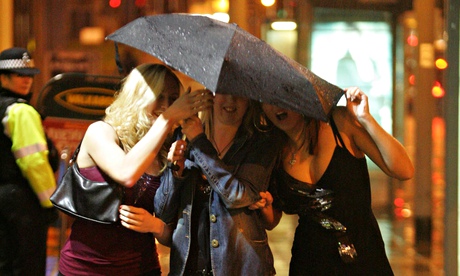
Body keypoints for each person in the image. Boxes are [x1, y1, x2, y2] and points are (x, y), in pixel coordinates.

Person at [57, 63, 213, 276]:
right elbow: (126, 173)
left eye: (173, 98)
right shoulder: (101, 132)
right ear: (138, 96)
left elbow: (176, 231)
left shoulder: (168, 150)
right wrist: (168, 119)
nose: (166, 105)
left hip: (142, 268)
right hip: (85, 268)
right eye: (159, 96)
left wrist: (156, 226)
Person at [253, 87, 414, 275]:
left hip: (363, 255)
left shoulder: (339, 122)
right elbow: (272, 221)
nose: (276, 106)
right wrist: (266, 209)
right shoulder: (273, 150)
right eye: (267, 99)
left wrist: (365, 118)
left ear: (300, 94)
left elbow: (404, 170)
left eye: (283, 96)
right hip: (309, 261)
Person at [154, 93, 281, 276]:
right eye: (223, 90)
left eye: (239, 92)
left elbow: (236, 196)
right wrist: (176, 170)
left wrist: (199, 141)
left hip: (240, 266)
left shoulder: (262, 143)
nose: (231, 99)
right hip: (189, 266)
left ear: (250, 99)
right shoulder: (183, 134)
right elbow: (163, 212)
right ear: (210, 94)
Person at [0, 47, 58, 276]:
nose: (26, 81)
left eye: (29, 75)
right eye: (19, 75)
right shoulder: (21, 111)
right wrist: (50, 202)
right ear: (3, 77)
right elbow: (33, 162)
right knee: (27, 266)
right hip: (23, 201)